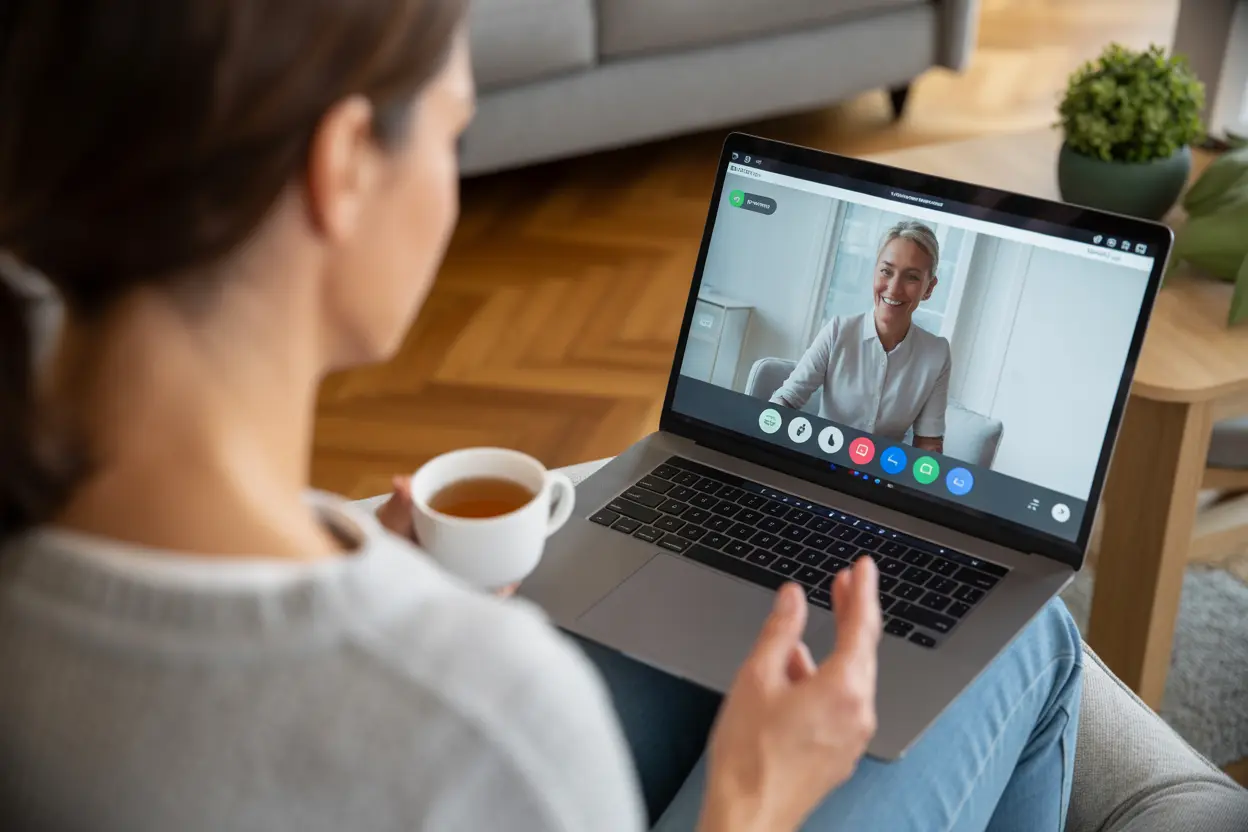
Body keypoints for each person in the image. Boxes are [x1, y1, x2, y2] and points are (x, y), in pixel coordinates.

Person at [0, 3, 1083, 831]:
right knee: (1039, 634)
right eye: (453, 132)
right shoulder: (492, 722)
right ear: (341, 170)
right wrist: (749, 795)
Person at [771, 221, 952, 451]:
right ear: (874, 271)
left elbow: (929, 442)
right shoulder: (838, 331)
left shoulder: (937, 353)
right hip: (820, 462)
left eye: (912, 277)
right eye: (886, 271)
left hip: (880, 476)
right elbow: (786, 400)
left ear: (929, 287)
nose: (894, 289)